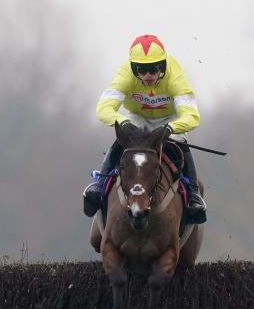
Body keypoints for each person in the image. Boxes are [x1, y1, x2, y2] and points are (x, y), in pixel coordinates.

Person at [83, 34, 207, 224]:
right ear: (133, 68)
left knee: (180, 140)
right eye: (142, 69)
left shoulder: (175, 76)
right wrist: (123, 123)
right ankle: (99, 187)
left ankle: (193, 195)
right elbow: (103, 108)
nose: (148, 75)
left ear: (163, 66)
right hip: (137, 117)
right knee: (123, 140)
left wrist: (170, 128)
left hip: (170, 119)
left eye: (154, 68)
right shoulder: (125, 74)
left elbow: (191, 116)